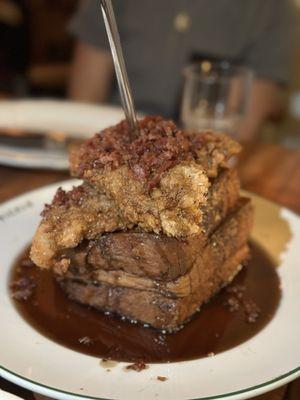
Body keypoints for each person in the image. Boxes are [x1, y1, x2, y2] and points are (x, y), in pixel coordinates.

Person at [68, 0, 293, 141]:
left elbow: (241, 129)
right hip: (114, 141)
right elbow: (84, 100)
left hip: (195, 159)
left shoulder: (272, 10)